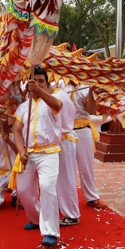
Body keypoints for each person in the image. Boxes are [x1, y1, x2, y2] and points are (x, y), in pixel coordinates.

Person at [12, 67, 64, 248]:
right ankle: (35, 220)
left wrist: (40, 91)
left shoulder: (51, 102)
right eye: (34, 81)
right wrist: (21, 151)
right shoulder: (22, 108)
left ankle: (50, 232)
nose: (37, 83)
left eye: (41, 81)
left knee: (48, 187)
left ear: (47, 84)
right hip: (29, 154)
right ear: (27, 84)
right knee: (24, 191)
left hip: (49, 153)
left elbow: (58, 106)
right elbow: (16, 131)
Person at [70, 82, 108, 209]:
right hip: (64, 130)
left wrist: (91, 91)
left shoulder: (84, 87)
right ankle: (62, 198)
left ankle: (92, 197)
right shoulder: (57, 85)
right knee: (64, 167)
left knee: (86, 165)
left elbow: (91, 110)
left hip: (83, 129)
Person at [53, 80, 79, 227]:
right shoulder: (61, 94)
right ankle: (66, 209)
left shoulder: (57, 97)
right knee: (62, 178)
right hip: (63, 139)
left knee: (66, 178)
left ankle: (72, 214)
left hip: (64, 139)